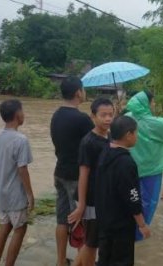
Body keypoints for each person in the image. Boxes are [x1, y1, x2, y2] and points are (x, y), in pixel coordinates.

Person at [125, 91, 163, 239]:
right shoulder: (156, 122)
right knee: (147, 202)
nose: (153, 105)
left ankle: (128, 231)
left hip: (129, 168)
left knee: (130, 200)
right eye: (152, 102)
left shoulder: (126, 118)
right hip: (150, 170)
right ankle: (139, 233)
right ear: (147, 103)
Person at [95, 116, 151, 266]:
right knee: (121, 261)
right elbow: (132, 196)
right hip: (120, 224)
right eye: (136, 133)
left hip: (104, 219)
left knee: (104, 259)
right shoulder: (126, 162)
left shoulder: (105, 152)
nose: (137, 137)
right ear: (128, 135)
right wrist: (142, 224)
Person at [50, 76, 94, 266]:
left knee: (62, 220)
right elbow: (97, 141)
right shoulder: (82, 119)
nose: (84, 92)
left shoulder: (56, 115)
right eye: (83, 89)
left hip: (59, 172)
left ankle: (61, 261)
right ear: (78, 92)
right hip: (77, 177)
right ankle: (81, 262)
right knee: (81, 221)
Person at [67, 98, 114, 266]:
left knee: (95, 241)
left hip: (104, 197)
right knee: (91, 243)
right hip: (91, 200)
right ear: (93, 116)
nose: (108, 118)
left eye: (111, 115)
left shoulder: (110, 136)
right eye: (103, 115)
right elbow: (83, 174)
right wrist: (81, 206)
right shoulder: (88, 142)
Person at [0, 99, 34, 266]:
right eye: (23, 111)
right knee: (20, 229)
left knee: (3, 228)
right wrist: (30, 195)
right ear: (17, 115)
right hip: (14, 194)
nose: (24, 114)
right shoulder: (21, 140)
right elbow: (22, 170)